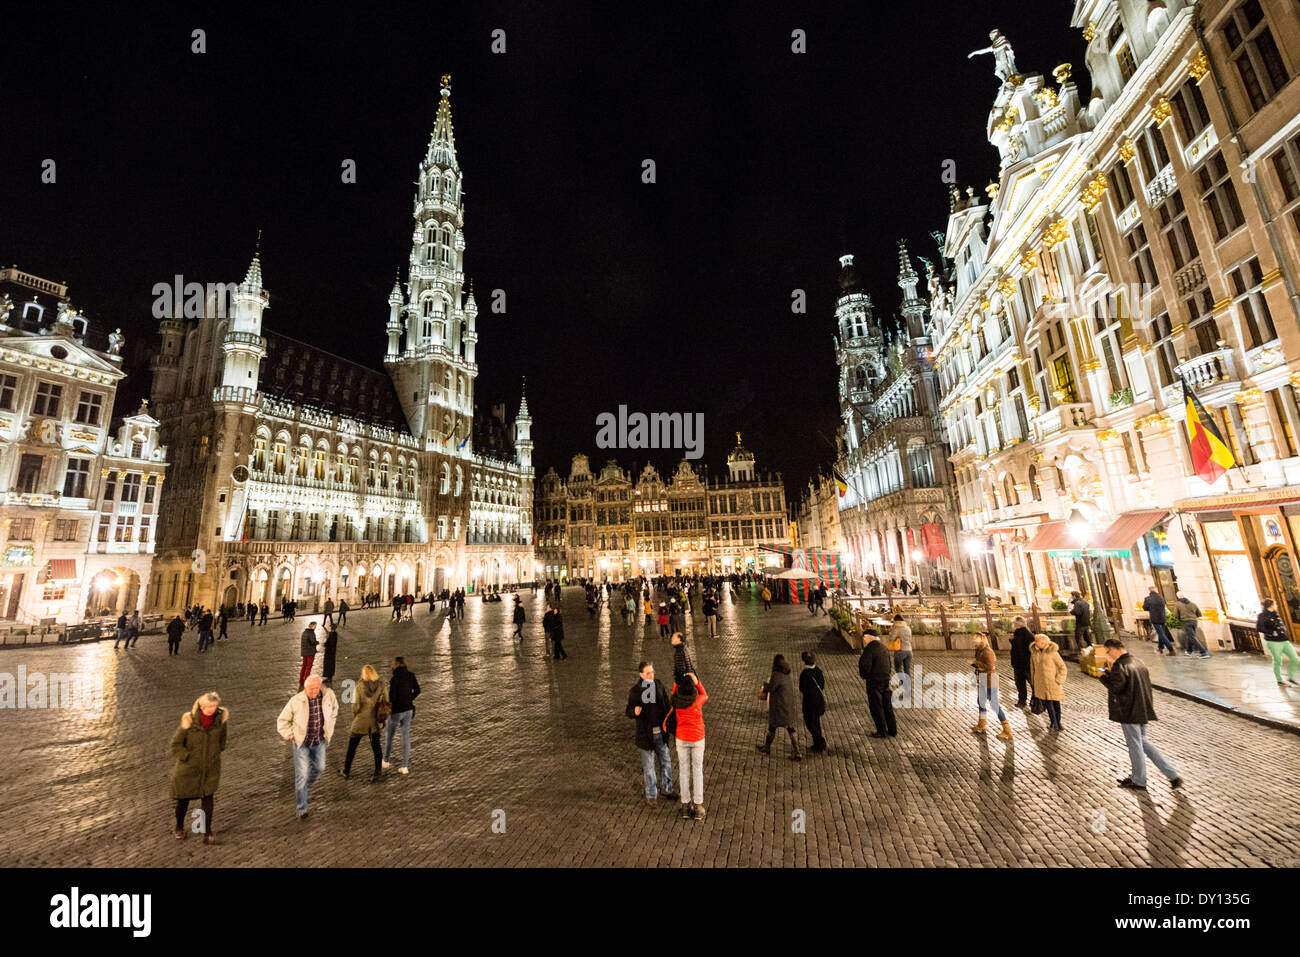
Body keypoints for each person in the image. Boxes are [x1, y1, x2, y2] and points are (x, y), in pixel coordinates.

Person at [1099, 637, 1183, 790]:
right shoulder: (1138, 662)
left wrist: (1104, 678)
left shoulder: (1120, 665)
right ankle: (1173, 775)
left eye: (1108, 651)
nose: (1108, 654)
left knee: (1135, 745)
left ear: (1115, 649)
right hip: (1142, 708)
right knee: (1143, 742)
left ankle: (1139, 779)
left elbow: (1117, 688)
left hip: (1129, 710)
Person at [169, 691, 227, 844]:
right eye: (208, 706)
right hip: (188, 770)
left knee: (207, 799)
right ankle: (179, 827)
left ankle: (207, 832)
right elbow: (175, 745)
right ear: (201, 706)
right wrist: (187, 757)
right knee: (183, 801)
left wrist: (214, 754)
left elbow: (222, 742)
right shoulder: (189, 721)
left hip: (210, 769)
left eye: (214, 706)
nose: (211, 709)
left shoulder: (221, 722)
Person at [277, 676, 339, 818]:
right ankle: (302, 807)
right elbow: (282, 721)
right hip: (302, 743)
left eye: (317, 688)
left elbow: (335, 709)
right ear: (305, 688)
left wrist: (330, 724)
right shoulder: (296, 701)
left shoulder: (328, 695)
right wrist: (290, 735)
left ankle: (303, 787)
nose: (314, 691)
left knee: (320, 767)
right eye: (311, 689)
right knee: (301, 775)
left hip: (319, 740)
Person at [626, 661, 676, 802]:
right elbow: (628, 711)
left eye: (652, 672)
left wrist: (670, 725)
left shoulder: (658, 685)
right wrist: (634, 712)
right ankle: (651, 794)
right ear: (641, 674)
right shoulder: (635, 691)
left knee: (665, 762)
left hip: (661, 732)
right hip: (646, 735)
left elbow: (667, 705)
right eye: (648, 673)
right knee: (649, 767)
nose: (651, 675)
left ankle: (667, 789)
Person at [341, 664, 388, 782]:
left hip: (361, 720)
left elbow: (355, 706)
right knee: (376, 747)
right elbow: (386, 700)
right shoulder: (381, 685)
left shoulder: (359, 686)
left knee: (352, 746)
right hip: (374, 722)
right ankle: (377, 772)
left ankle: (346, 770)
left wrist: (355, 714)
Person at [671, 671, 708, 821]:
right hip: (697, 738)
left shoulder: (676, 701)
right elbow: (705, 694)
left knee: (684, 771)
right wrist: (696, 681)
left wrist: (677, 681)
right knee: (697, 771)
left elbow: (674, 692)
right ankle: (698, 806)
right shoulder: (697, 701)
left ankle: (685, 806)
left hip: (681, 738)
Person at [757, 654, 802, 760]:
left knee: (772, 727)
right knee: (791, 729)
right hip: (788, 706)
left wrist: (764, 685)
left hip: (779, 707)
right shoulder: (787, 674)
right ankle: (797, 752)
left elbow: (771, 688)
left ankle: (767, 747)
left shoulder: (776, 675)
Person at [969, 632, 1012, 740]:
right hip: (983, 679)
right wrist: (975, 663)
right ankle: (982, 724)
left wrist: (976, 663)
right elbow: (980, 664)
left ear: (982, 639)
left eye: (976, 638)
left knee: (994, 704)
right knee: (981, 702)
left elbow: (989, 666)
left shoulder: (988, 652)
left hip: (991, 680)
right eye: (974, 638)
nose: (974, 640)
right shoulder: (979, 650)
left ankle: (1007, 730)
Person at [383, 656, 420, 774]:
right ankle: (405, 766)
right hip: (408, 710)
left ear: (395, 665)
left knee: (390, 735)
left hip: (396, 712)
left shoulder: (394, 679)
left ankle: (386, 760)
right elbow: (418, 690)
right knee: (405, 737)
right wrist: (409, 699)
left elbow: (392, 698)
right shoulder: (411, 675)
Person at [858, 630, 896, 738]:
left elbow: (865, 666)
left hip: (874, 682)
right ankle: (892, 730)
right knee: (887, 706)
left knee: (876, 707)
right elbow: (889, 663)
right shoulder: (883, 648)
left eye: (865, 637)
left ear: (869, 637)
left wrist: (865, 676)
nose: (864, 639)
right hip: (885, 680)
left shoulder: (869, 650)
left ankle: (881, 731)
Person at [1257, 598, 1300, 686]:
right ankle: (1279, 679)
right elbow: (1259, 628)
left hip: (1284, 640)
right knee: (1278, 661)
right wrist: (1272, 633)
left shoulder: (1275, 614)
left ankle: (1290, 677)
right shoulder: (1262, 616)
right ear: (1271, 606)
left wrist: (1284, 630)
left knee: (1295, 658)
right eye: (1275, 604)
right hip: (1273, 642)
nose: (1276, 605)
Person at [1029, 632, 1067, 730]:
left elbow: (1062, 667)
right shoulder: (1034, 653)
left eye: (1038, 641)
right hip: (1041, 683)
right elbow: (1032, 668)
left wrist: (1059, 679)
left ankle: (1057, 722)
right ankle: (1054, 723)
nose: (1036, 643)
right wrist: (1033, 681)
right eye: (1036, 641)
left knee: (1056, 703)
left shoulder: (1052, 652)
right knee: (1048, 703)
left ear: (1044, 642)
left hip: (1053, 682)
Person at [798, 651, 828, 754]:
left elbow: (802, 688)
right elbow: (822, 685)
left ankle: (820, 742)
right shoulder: (819, 671)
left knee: (810, 723)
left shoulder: (805, 674)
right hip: (818, 701)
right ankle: (817, 744)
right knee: (816, 722)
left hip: (809, 703)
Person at [1173, 592, 1209, 657]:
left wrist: (1179, 619)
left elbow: (1175, 615)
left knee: (1192, 637)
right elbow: (1199, 614)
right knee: (1191, 636)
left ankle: (1203, 652)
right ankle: (1189, 651)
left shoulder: (1177, 604)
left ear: (1178, 596)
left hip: (1186, 622)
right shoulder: (1193, 604)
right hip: (1194, 621)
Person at [1009, 616, 1034, 707]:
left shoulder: (1021, 633)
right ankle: (1031, 700)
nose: (1013, 625)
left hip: (1022, 663)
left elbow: (1019, 648)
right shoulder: (1028, 634)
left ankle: (1023, 701)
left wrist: (1012, 640)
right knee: (1028, 683)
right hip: (1024, 663)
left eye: (1014, 623)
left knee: (1022, 683)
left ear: (1017, 624)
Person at [1143, 586, 1175, 656]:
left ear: (1149, 591)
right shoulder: (1161, 598)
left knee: (1161, 634)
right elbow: (1164, 605)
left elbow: (1145, 608)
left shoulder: (1147, 599)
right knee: (1162, 633)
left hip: (1155, 618)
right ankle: (1160, 648)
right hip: (1162, 617)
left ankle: (1171, 650)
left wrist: (1152, 609)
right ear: (1156, 591)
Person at [888, 613, 913, 678]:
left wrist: (891, 631)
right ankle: (908, 687)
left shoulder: (897, 628)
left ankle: (904, 684)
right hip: (909, 651)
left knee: (898, 669)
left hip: (900, 651)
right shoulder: (908, 628)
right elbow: (910, 639)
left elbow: (891, 639)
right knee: (907, 670)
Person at [298, 622, 318, 690]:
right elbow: (313, 642)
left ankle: (301, 680)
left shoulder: (304, 632)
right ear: (312, 626)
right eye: (315, 626)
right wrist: (317, 642)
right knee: (309, 667)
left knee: (304, 666)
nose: (315, 627)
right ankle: (306, 680)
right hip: (310, 652)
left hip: (304, 652)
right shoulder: (311, 633)